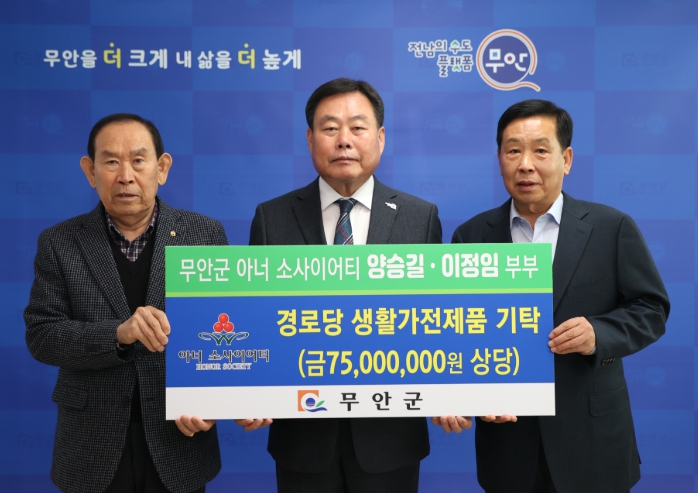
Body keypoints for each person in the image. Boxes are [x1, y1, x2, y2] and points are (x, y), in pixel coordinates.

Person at [436, 99, 670, 492]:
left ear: (567, 158)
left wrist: (599, 333)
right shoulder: (471, 236)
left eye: (540, 151)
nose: (525, 164)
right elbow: (454, 329)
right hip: (508, 443)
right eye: (513, 151)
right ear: (499, 158)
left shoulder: (611, 227)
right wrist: (462, 394)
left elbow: (651, 308)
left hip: (593, 440)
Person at [236, 78, 442, 493]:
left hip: (390, 439)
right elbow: (256, 321)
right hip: (303, 440)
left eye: (357, 127)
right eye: (330, 128)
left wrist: (452, 396)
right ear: (310, 139)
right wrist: (249, 393)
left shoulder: (420, 218)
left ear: (380, 138)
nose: (344, 140)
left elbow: (435, 320)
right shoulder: (272, 218)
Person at [24, 114, 226, 493]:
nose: (125, 176)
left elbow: (223, 331)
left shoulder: (204, 234)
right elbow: (43, 336)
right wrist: (118, 334)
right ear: (91, 171)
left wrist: (214, 403)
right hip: (91, 443)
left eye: (138, 160)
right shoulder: (59, 242)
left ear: (162, 168)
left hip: (178, 437)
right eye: (112, 161)